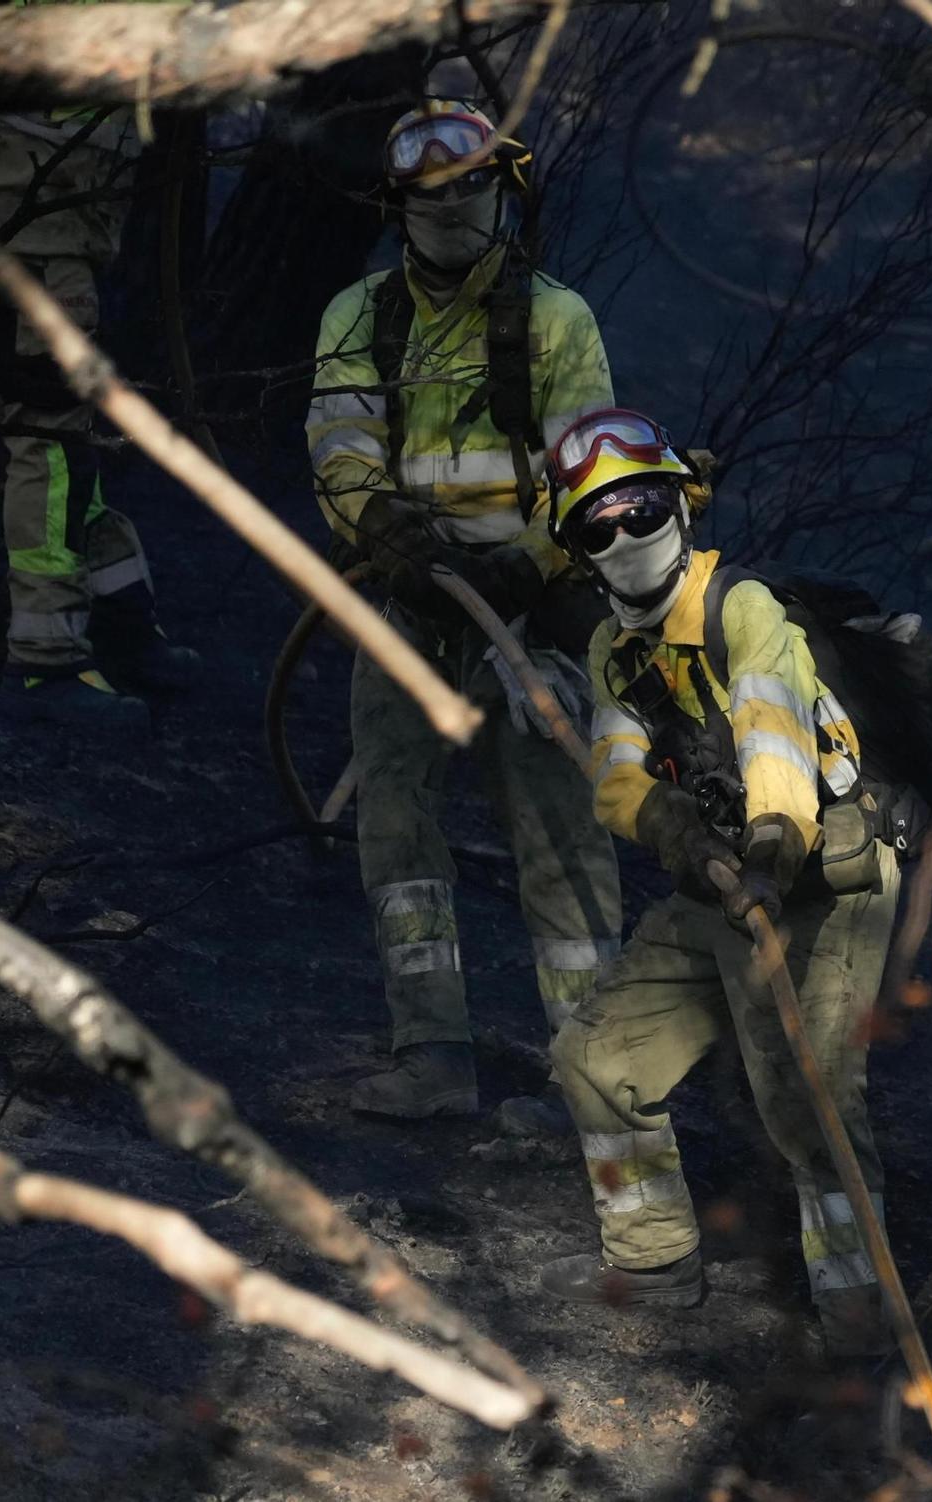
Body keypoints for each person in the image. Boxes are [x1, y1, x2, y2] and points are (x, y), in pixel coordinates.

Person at [531, 409, 904, 1357]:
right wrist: (677, 835)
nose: (624, 538)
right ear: (577, 548)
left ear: (682, 506)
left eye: (642, 509)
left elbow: (774, 734)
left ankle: (861, 1318)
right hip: (719, 883)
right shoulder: (614, 652)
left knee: (807, 1096)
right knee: (596, 1059)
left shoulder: (743, 609)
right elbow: (618, 776)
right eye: (596, 526)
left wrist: (771, 856)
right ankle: (654, 1260)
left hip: (824, 880)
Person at [304, 99, 623, 1132]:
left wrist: (531, 566)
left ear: (504, 188)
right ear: (397, 207)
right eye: (430, 196)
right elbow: (339, 448)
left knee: (561, 836)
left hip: (525, 618)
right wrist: (385, 530)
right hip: (408, 607)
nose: (453, 209)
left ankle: (598, 1075)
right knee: (394, 822)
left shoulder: (555, 319)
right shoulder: (357, 316)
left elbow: (589, 470)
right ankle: (432, 1057)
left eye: (472, 186)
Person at [0, 63, 198, 731]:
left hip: (24, 223)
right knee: (49, 444)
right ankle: (44, 662)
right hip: (30, 231)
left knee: (62, 440)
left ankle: (119, 621)